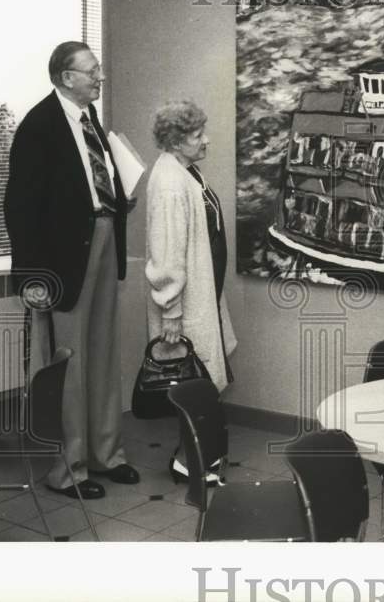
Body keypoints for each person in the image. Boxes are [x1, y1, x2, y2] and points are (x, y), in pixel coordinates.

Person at [4, 41, 139, 500]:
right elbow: (19, 208)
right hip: (63, 261)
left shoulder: (90, 121)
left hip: (103, 240)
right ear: (66, 77)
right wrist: (31, 276)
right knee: (68, 364)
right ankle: (69, 470)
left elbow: (91, 183)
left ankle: (107, 455)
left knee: (104, 355)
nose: (99, 78)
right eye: (92, 71)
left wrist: (120, 198)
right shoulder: (38, 126)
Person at [145, 100, 237, 482]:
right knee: (192, 382)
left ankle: (201, 457)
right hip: (184, 304)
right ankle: (191, 462)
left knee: (200, 380)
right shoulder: (169, 181)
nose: (206, 141)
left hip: (203, 295)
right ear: (176, 139)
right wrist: (170, 309)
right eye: (197, 135)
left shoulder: (186, 172)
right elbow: (166, 253)